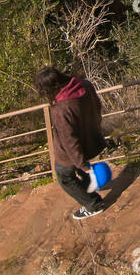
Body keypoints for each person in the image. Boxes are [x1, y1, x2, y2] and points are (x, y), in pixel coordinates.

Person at [35, 64, 109, 220]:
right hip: (89, 137)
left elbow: (70, 141)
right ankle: (91, 181)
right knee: (80, 167)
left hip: (68, 153)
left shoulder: (60, 109)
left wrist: (83, 165)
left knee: (65, 178)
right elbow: (98, 106)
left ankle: (93, 204)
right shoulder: (84, 85)